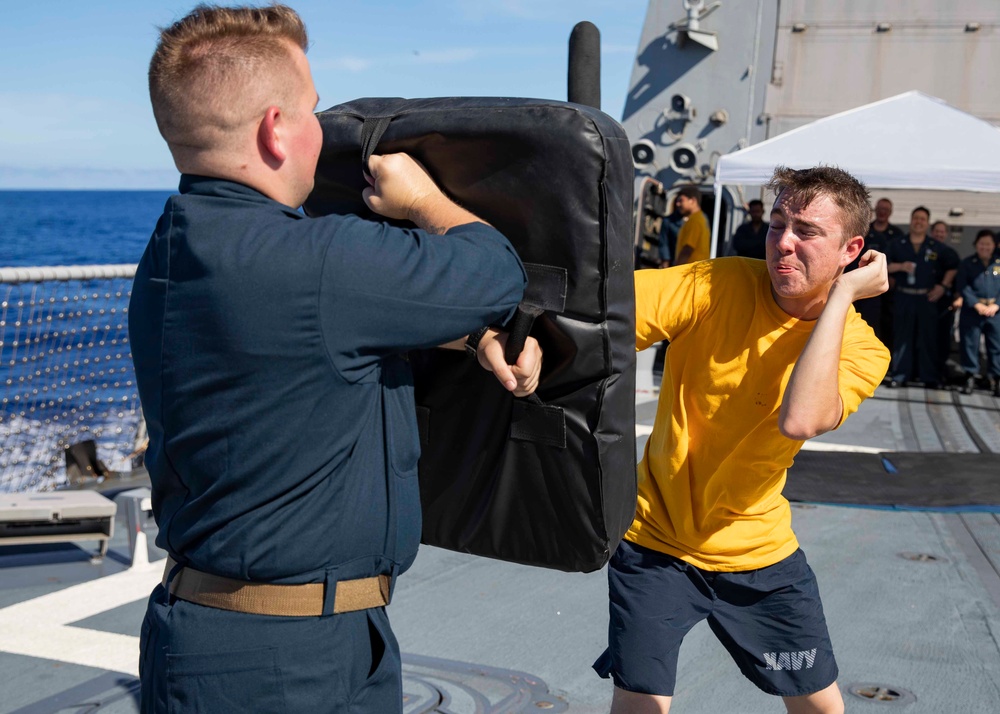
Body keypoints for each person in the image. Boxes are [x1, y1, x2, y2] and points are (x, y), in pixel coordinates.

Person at [130, 5, 541, 713]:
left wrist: (471, 339)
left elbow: (294, 347)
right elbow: (496, 271)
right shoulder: (313, 264)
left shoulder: (176, 250)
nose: (324, 130)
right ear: (274, 129)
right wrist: (427, 202)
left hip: (242, 637)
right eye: (313, 110)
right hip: (285, 665)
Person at [593, 165, 890, 714]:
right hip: (656, 539)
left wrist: (842, 297)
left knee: (821, 707)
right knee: (639, 704)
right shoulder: (716, 283)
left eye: (807, 231)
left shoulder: (864, 350)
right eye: (778, 224)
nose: (784, 243)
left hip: (759, 553)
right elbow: (598, 317)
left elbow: (800, 419)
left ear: (853, 249)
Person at [885, 207, 959, 388]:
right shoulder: (897, 244)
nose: (919, 222)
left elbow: (954, 265)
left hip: (927, 300)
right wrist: (900, 266)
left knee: (928, 339)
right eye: (916, 218)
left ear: (927, 223)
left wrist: (943, 286)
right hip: (904, 297)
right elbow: (882, 265)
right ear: (911, 221)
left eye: (923, 219)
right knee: (902, 338)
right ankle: (900, 376)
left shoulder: (935, 247)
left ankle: (929, 377)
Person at [848, 197, 903, 345]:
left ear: (890, 212)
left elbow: (899, 259)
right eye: (880, 209)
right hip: (861, 289)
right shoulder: (865, 231)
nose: (882, 212)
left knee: (886, 324)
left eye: (886, 210)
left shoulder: (897, 235)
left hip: (887, 291)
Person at [956, 230, 1000, 396]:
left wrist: (996, 305)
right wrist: (976, 304)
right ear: (976, 244)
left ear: (994, 245)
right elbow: (963, 286)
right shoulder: (967, 263)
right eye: (982, 243)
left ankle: (996, 379)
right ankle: (970, 376)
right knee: (970, 345)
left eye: (988, 244)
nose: (985, 247)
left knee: (996, 346)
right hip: (972, 311)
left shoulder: (998, 264)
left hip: (995, 312)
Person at [930, 221, 961, 382]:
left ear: (946, 234)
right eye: (936, 231)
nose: (939, 234)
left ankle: (940, 372)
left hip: (944, 304)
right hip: (927, 303)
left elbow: (956, 277)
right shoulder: (924, 249)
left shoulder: (950, 253)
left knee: (942, 339)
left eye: (942, 232)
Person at [671, 185, 710, 266]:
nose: (677, 204)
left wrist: (677, 268)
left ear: (692, 200)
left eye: (681, 200)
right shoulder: (701, 218)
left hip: (690, 271)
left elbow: (688, 248)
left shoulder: (695, 220)